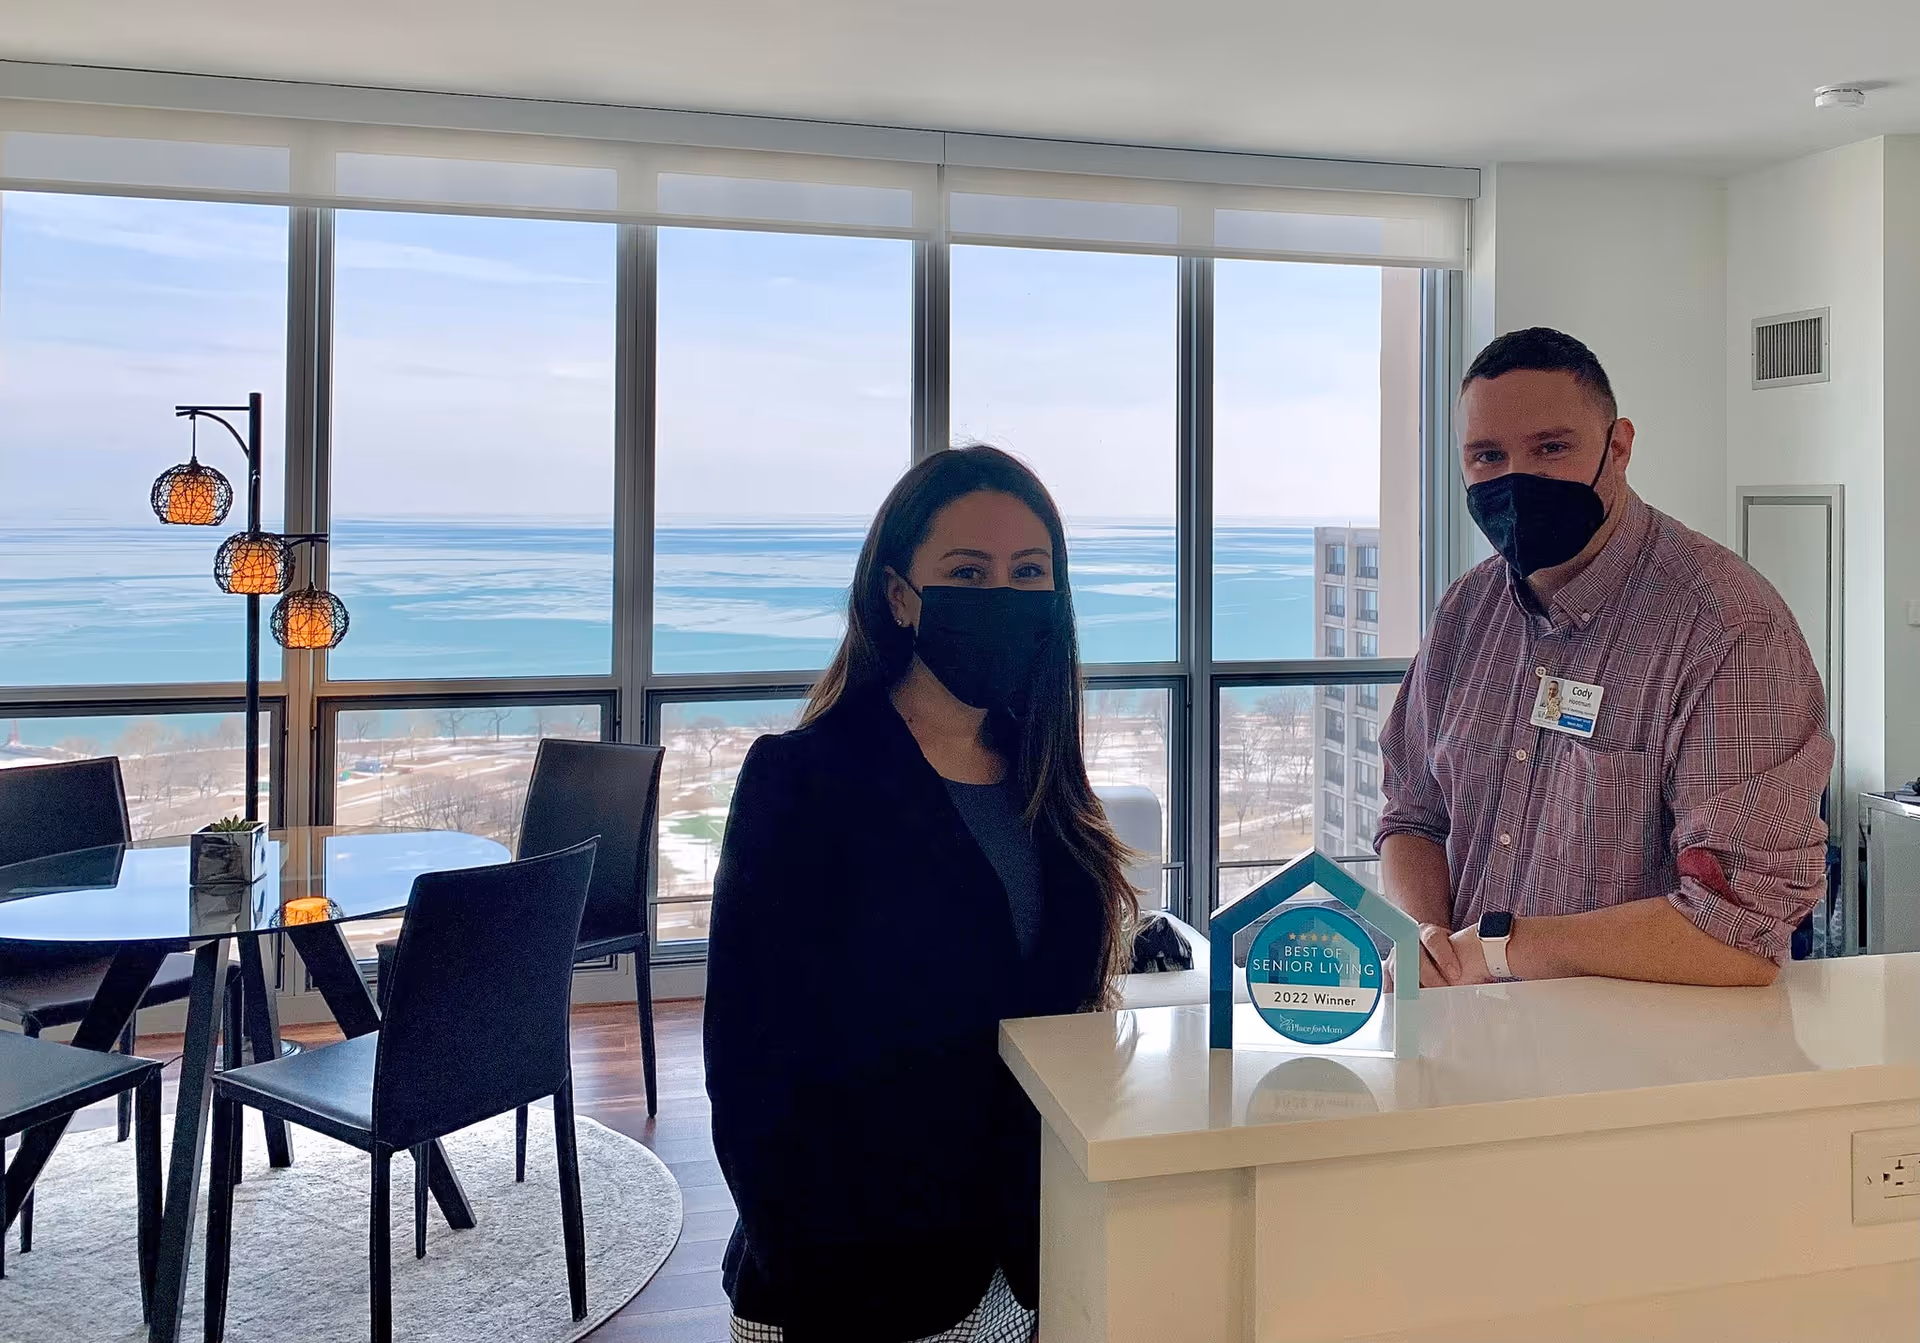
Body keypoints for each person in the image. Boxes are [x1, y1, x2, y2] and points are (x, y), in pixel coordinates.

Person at [704, 445, 1138, 1343]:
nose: (1004, 597)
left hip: (1013, 1272)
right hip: (847, 1284)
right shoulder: (803, 780)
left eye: (1029, 573)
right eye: (967, 572)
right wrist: (828, 1289)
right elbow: (750, 1075)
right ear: (901, 595)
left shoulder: (1044, 774)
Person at [1378, 327, 1833, 990]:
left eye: (1551, 448)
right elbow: (1410, 815)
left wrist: (1506, 949)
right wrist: (1424, 938)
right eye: (1487, 456)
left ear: (1618, 448)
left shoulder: (1729, 631)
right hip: (1468, 1049)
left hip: (1638, 1075)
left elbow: (1740, 931)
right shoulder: (1466, 614)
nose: (1516, 479)